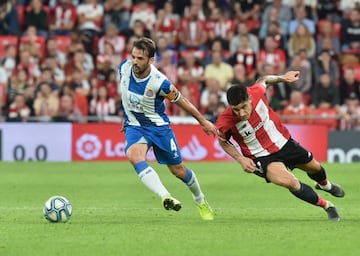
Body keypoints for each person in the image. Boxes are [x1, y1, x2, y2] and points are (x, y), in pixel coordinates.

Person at [216, 70, 345, 221]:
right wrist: (240, 159)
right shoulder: (225, 120)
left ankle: (326, 185)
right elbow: (223, 141)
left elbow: (264, 79)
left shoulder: (256, 91)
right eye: (236, 109)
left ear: (250, 98)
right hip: (260, 156)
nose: (241, 113)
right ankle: (328, 206)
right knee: (289, 182)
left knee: (315, 167)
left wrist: (283, 78)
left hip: (283, 142)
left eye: (244, 106)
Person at [118, 37, 216, 220]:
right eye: (133, 57)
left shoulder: (160, 82)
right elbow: (126, 95)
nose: (135, 62)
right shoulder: (123, 68)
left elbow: (183, 101)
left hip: (158, 128)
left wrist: (203, 121)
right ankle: (166, 196)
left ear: (151, 60)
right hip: (135, 127)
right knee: (133, 155)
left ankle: (200, 200)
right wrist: (127, 119)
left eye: (140, 58)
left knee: (178, 170)